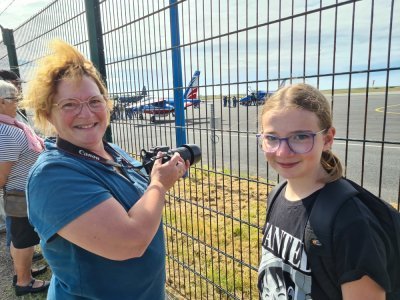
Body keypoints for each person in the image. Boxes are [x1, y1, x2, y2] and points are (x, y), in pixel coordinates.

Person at [22, 39, 189, 299]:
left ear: (107, 104)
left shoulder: (112, 151)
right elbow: (130, 242)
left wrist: (159, 172)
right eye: (69, 105)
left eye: (94, 101)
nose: (86, 114)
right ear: (47, 113)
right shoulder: (52, 176)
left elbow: (134, 202)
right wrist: (158, 184)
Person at [257, 83, 391, 299]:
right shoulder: (277, 195)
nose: (282, 151)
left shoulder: (351, 222)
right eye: (271, 138)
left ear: (327, 139)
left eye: (300, 137)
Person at [0, 80, 49, 296]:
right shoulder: (7, 132)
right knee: (24, 240)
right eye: (14, 99)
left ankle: (23, 271)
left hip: (20, 192)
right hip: (20, 194)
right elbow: (2, 174)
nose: (18, 103)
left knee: (19, 238)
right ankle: (24, 282)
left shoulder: (10, 126)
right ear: (1, 102)